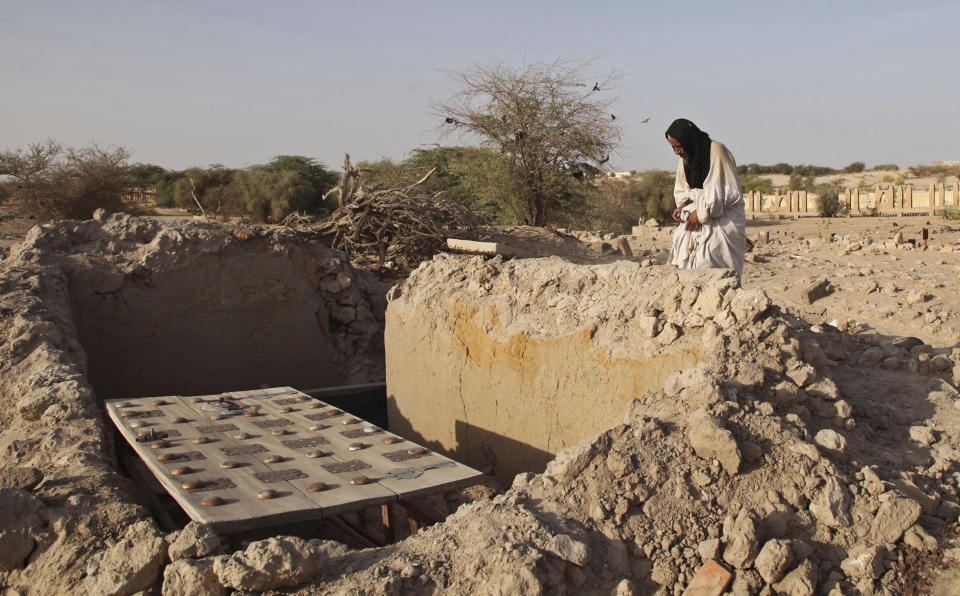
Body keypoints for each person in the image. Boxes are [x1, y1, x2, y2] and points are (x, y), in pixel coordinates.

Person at [665, 118, 746, 279]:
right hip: (699, 216)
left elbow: (723, 194)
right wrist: (683, 207)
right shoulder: (685, 160)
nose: (676, 151)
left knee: (709, 255)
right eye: (673, 147)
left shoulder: (717, 151)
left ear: (689, 140)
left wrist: (700, 213)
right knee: (681, 244)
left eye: (679, 146)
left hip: (723, 217)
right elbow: (684, 190)